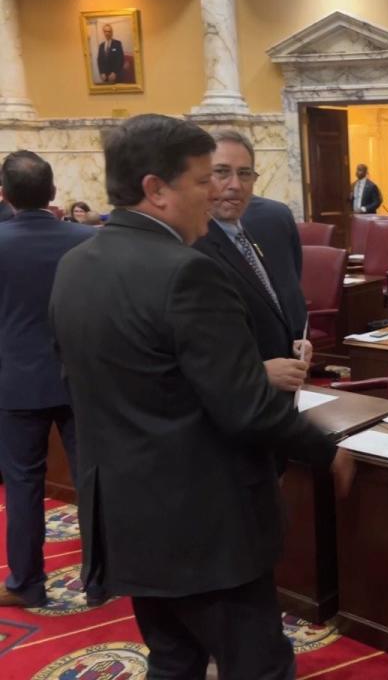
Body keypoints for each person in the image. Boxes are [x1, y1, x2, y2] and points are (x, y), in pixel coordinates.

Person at [49, 114, 353, 679]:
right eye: (200, 181)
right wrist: (326, 450)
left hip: (127, 516)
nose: (215, 194)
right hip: (203, 527)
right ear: (155, 189)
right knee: (256, 666)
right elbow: (246, 407)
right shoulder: (186, 273)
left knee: (174, 659)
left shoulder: (75, 264)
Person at [0, 151, 97, 608]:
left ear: (4, 195)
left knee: (22, 485)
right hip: (80, 377)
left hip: (15, 382)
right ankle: (102, 579)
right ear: (54, 193)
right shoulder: (88, 240)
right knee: (93, 480)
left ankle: (26, 583)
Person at [193, 130, 311, 397]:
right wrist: (258, 372)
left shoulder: (261, 228)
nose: (236, 185)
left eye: (245, 174)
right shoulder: (190, 245)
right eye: (222, 172)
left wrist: (295, 341)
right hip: (232, 407)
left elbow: (284, 298)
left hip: (277, 401)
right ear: (200, 178)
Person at [243, 192, 308, 338]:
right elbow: (296, 267)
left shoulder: (208, 219)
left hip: (252, 330)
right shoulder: (280, 211)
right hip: (293, 317)